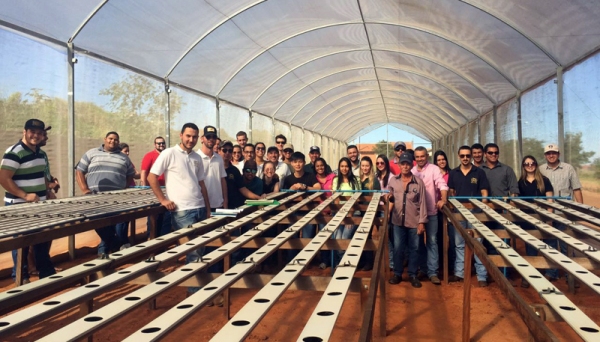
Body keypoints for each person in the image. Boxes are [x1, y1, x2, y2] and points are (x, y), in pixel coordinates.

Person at [147, 123, 211, 294]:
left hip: (199, 207)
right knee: (193, 250)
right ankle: (194, 291)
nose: (191, 140)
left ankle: (198, 285)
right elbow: (151, 176)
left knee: (201, 248)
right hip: (182, 210)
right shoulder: (169, 153)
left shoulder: (196, 158)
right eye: (188, 136)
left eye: (195, 137)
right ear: (180, 135)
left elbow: (201, 183)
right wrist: (163, 199)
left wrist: (207, 207)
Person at [0, 119, 56, 283]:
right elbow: (4, 178)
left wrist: (48, 190)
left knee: (41, 239)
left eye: (39, 133)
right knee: (21, 242)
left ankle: (46, 274)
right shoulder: (14, 152)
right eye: (32, 132)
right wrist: (24, 196)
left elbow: (40, 176)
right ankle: (21, 277)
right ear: (24, 132)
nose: (36, 136)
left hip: (38, 206)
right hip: (18, 206)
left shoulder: (39, 153)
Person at [76, 131, 135, 255]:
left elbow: (130, 174)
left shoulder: (124, 157)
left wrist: (124, 187)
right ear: (105, 139)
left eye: (116, 139)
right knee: (99, 223)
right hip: (95, 197)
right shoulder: (91, 153)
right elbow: (80, 171)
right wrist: (84, 189)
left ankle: (104, 250)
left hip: (117, 198)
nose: (112, 141)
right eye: (110, 138)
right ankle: (116, 243)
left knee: (116, 222)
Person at [447, 145, 490, 287]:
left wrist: (483, 207)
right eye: (462, 156)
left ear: (471, 156)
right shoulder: (454, 173)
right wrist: (453, 208)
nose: (465, 158)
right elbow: (451, 191)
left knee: (477, 242)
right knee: (459, 243)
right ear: (459, 156)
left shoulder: (479, 172)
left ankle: (481, 275)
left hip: (476, 212)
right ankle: (460, 273)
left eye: (467, 155)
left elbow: (484, 192)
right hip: (459, 212)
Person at [539, 143, 583, 281]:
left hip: (565, 213)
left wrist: (579, 211)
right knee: (549, 242)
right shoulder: (540, 170)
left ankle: (571, 275)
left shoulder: (568, 168)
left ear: (558, 154)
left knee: (567, 244)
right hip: (547, 212)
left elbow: (576, 189)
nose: (551, 155)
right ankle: (552, 273)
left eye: (554, 153)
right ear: (545, 155)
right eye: (548, 153)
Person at [387, 152, 427, 288]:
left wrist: (422, 222)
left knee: (414, 248)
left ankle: (413, 275)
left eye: (407, 164)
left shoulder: (418, 183)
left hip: (414, 221)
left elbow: (422, 203)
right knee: (398, 248)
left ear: (411, 165)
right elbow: (389, 197)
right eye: (402, 163)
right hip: (397, 221)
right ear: (399, 165)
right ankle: (397, 274)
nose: (405, 166)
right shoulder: (393, 181)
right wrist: (388, 198)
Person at [412, 146, 448, 285]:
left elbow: (442, 185)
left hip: (431, 212)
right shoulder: (412, 171)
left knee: (432, 241)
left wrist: (443, 199)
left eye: (422, 156)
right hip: (416, 213)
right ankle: (423, 269)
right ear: (415, 157)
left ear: (427, 156)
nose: (420, 159)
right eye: (418, 156)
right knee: (418, 242)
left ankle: (433, 272)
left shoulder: (433, 169)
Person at [518, 155, 554, 288]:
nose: (530, 165)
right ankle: (533, 273)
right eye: (527, 164)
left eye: (532, 163)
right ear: (523, 166)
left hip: (543, 218)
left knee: (548, 245)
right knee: (531, 246)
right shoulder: (521, 182)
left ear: (536, 165)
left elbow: (550, 200)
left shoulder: (544, 180)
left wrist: (549, 217)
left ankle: (551, 272)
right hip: (528, 219)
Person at [283, 151, 321, 239]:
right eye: (295, 162)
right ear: (291, 163)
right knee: (291, 239)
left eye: (300, 162)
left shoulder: (310, 176)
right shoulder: (288, 179)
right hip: (293, 212)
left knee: (307, 238)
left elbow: (318, 187)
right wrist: (291, 189)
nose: (298, 164)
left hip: (308, 211)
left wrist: (305, 187)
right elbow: (284, 194)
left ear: (304, 162)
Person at [140, 136, 171, 239]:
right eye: (159, 143)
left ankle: (162, 239)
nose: (161, 145)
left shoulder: (168, 155)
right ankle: (151, 237)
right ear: (155, 145)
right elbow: (144, 172)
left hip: (167, 189)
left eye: (163, 143)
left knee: (165, 215)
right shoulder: (149, 156)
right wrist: (144, 187)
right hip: (154, 190)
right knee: (153, 216)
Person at [332, 157, 362, 264]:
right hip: (339, 212)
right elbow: (336, 198)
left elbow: (357, 198)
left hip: (353, 212)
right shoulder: (336, 180)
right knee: (337, 238)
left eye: (346, 166)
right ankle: (341, 261)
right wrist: (339, 215)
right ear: (339, 167)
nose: (344, 169)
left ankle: (344, 262)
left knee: (345, 237)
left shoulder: (356, 180)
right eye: (342, 166)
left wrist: (350, 214)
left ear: (349, 167)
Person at [114, 142, 140, 249]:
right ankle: (120, 242)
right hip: (121, 194)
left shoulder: (128, 161)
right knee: (121, 220)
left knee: (126, 219)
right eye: (125, 151)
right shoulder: (117, 162)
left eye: (128, 151)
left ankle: (124, 241)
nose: (127, 153)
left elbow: (136, 174)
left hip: (129, 193)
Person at [433, 150, 454, 274]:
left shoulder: (451, 174)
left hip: (449, 209)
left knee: (452, 237)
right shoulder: (433, 174)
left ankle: (451, 264)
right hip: (437, 210)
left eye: (443, 159)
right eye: (439, 160)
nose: (441, 162)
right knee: (438, 237)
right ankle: (440, 263)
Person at [198, 126, 228, 211]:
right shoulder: (196, 158)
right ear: (202, 138)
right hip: (202, 205)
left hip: (219, 204)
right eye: (208, 137)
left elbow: (223, 180)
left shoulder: (219, 158)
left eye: (213, 137)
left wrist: (225, 201)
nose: (211, 139)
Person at [358, 156, 380, 271]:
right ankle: (360, 260)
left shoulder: (374, 180)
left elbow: (376, 198)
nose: (365, 168)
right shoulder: (358, 179)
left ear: (370, 166)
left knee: (367, 236)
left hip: (369, 212)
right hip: (359, 212)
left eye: (367, 165)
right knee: (359, 236)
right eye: (363, 165)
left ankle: (369, 261)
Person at [376, 154, 395, 269]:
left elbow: (392, 196)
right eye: (378, 163)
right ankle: (384, 262)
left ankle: (391, 263)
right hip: (377, 209)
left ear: (386, 163)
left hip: (386, 209)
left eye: (382, 163)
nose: (380, 165)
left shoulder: (392, 177)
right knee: (381, 236)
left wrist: (388, 212)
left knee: (387, 237)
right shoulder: (376, 177)